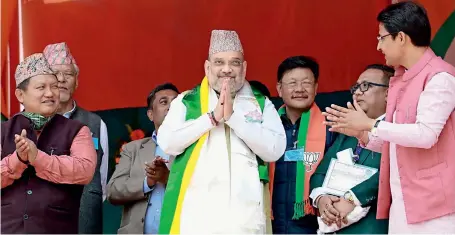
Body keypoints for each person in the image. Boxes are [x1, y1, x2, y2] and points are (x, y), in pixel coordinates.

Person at [323, 1, 455, 233]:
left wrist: (371, 124)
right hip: (403, 203)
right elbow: (399, 139)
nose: (378, 46)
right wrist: (363, 134)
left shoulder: (440, 77)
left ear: (401, 38)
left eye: (381, 38)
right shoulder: (402, 79)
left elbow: (425, 135)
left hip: (435, 208)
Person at [157, 29, 286, 234]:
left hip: (244, 222)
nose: (227, 69)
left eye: (234, 63)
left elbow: (275, 149)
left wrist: (233, 118)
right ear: (207, 67)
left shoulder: (261, 104)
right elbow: (167, 142)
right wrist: (211, 118)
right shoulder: (186, 101)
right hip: (195, 220)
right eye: (219, 62)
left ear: (244, 68)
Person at [0, 53, 97, 233]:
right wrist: (18, 160)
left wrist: (37, 158)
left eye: (54, 87)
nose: (50, 93)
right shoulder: (3, 131)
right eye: (41, 87)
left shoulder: (77, 130)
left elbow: (84, 170)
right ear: (20, 94)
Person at [310, 64, 394, 234]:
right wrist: (321, 199)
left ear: (388, 92)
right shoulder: (347, 132)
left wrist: (352, 198)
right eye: (356, 87)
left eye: (365, 86)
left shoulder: (396, 130)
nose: (357, 92)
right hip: (334, 226)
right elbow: (320, 173)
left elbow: (391, 172)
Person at [43, 42, 109, 234]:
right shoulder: (24, 123)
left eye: (69, 74)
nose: (62, 80)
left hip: (84, 224)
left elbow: (102, 181)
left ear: (76, 82)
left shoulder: (96, 124)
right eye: (56, 74)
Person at [269, 56, 337, 234]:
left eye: (306, 83)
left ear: (316, 88)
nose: (299, 89)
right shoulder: (266, 128)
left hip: (314, 226)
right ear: (279, 89)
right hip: (271, 224)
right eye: (292, 83)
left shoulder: (332, 127)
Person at [107, 83, 179, 234]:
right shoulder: (133, 149)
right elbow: (113, 192)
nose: (171, 107)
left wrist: (168, 179)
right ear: (150, 114)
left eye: (176, 102)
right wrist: (147, 182)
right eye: (164, 102)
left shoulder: (193, 148)